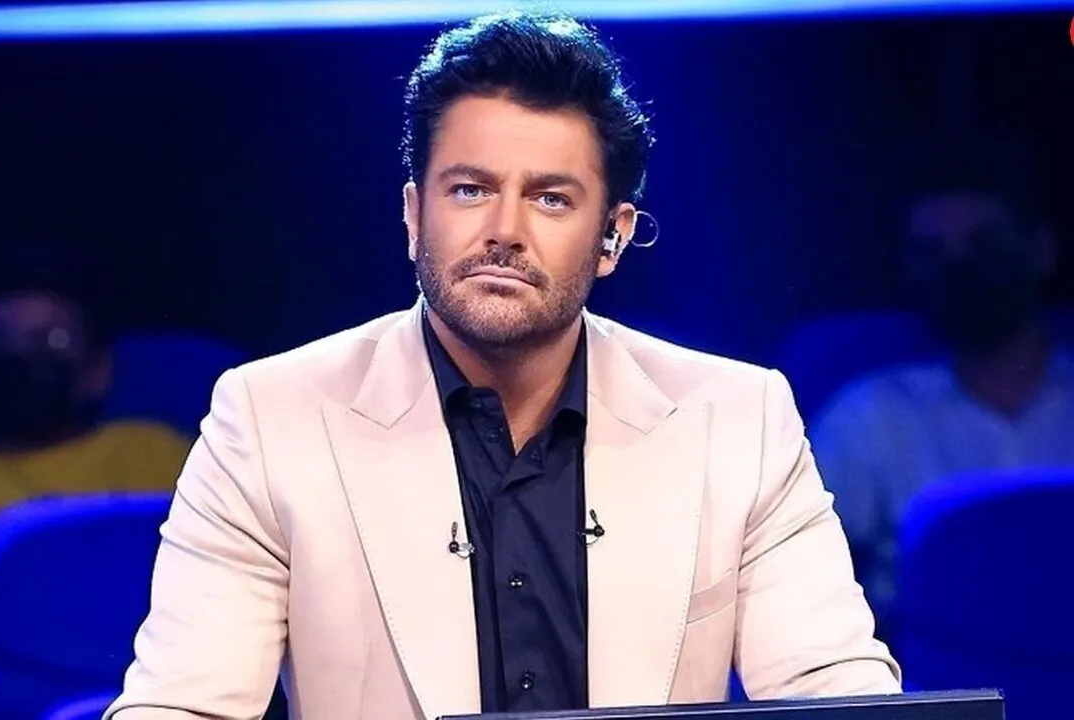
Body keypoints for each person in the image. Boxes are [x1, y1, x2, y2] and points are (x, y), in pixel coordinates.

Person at [107, 12, 899, 720]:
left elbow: (838, 695)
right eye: (469, 189)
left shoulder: (739, 421)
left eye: (551, 198)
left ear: (613, 235)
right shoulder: (269, 420)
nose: (504, 230)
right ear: (414, 214)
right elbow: (184, 704)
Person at [0, 245, 191, 667]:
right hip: (5, 687)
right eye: (1, 340)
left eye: (52, 341)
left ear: (97, 371)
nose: (22, 358)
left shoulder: (156, 452)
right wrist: (12, 633)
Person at [812, 144, 1074, 630]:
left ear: (1040, 250)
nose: (961, 269)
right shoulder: (870, 416)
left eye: (984, 245)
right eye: (933, 253)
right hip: (931, 665)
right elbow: (791, 578)